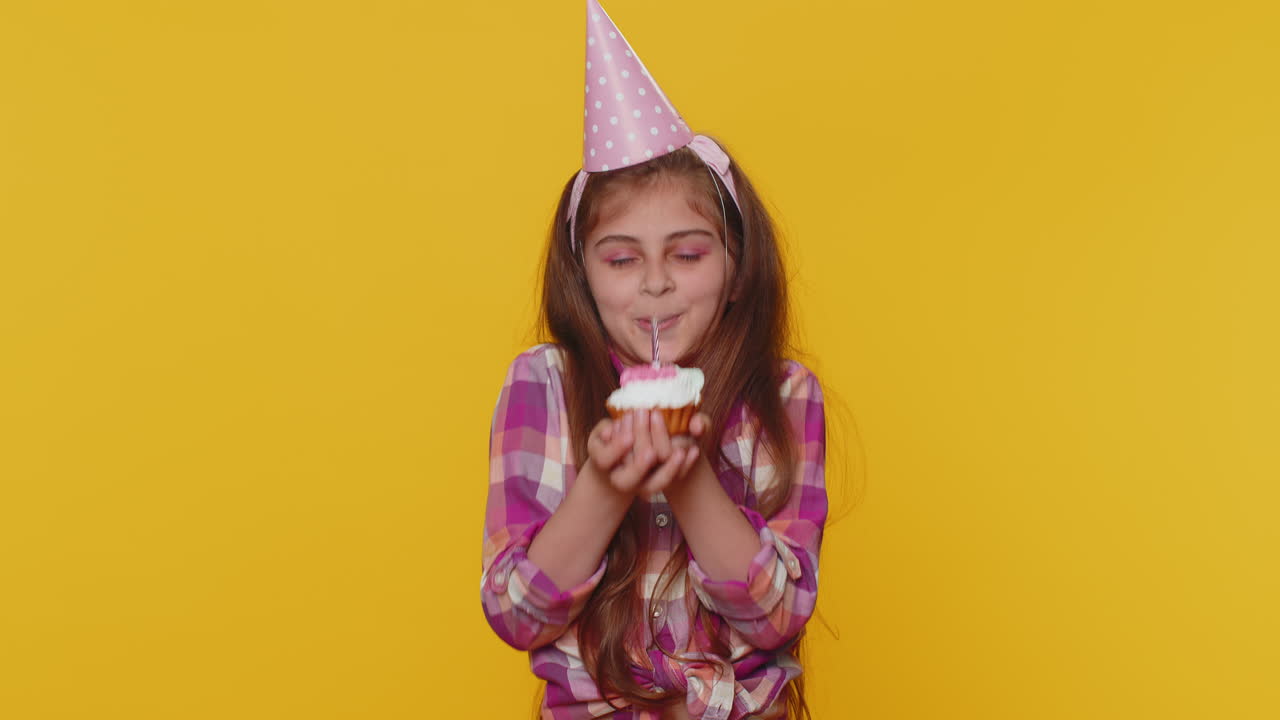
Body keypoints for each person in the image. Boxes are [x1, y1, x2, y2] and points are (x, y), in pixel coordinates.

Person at [481, 3, 827, 719]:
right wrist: (606, 484)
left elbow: (777, 617)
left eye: (688, 254)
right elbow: (517, 616)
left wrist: (689, 474)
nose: (656, 283)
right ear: (585, 277)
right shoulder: (544, 384)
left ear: (735, 271)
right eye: (621, 259)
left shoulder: (786, 394)